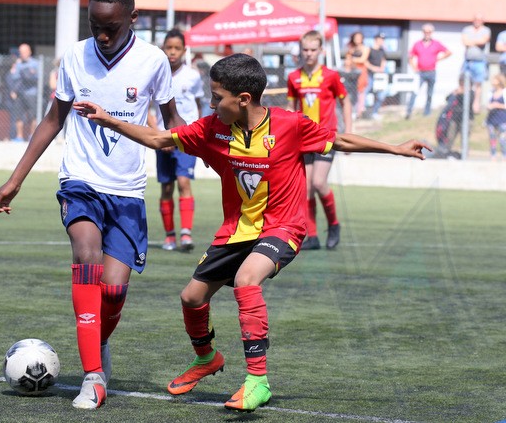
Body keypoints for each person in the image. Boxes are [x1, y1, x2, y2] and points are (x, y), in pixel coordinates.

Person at [73, 53, 429, 413]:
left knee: (247, 279)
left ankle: (258, 381)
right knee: (192, 298)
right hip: (236, 231)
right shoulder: (212, 128)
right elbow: (158, 138)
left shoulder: (290, 125)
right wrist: (108, 120)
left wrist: (395, 149)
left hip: (284, 226)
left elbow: (341, 142)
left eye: (217, 97)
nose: (212, 104)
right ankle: (207, 358)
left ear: (243, 99)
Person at [0, 0, 185, 410]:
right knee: (86, 253)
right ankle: (93, 376)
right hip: (80, 181)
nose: (102, 35)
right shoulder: (75, 56)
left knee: (113, 290)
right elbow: (52, 120)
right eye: (95, 25)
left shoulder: (153, 61)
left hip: (127, 191)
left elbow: (173, 121)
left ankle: (99, 342)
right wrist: (15, 180)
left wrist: (203, 146)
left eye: (111, 27)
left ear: (133, 17)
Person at [286, 30, 352, 250]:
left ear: (321, 51)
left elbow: (346, 101)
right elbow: (291, 107)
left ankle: (333, 224)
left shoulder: (331, 76)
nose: (309, 53)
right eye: (305, 49)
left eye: (313, 50)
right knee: (305, 188)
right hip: (304, 139)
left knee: (318, 182)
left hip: (326, 136)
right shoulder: (293, 77)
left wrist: (348, 130)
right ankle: (312, 237)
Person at [149, 28, 204, 251]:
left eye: (177, 48)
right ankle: (169, 236)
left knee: (183, 181)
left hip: (186, 139)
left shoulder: (193, 76)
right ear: (163, 49)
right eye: (169, 48)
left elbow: (197, 107)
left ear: (184, 50)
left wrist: (194, 134)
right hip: (163, 140)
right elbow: (148, 110)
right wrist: (159, 135)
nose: (172, 52)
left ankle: (186, 234)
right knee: (166, 187)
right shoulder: (154, 75)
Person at [405, 23, 452, 119]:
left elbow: (448, 52)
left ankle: (427, 112)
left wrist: (439, 59)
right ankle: (409, 112)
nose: (427, 34)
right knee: (414, 92)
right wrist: (414, 68)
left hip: (431, 72)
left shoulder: (436, 44)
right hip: (420, 73)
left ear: (432, 33)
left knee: (430, 94)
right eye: (425, 32)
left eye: (429, 32)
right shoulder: (417, 44)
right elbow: (410, 57)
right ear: (423, 32)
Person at [430, 75, 474, 159]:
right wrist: (455, 93)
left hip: (467, 119)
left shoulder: (471, 92)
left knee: (464, 137)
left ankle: (464, 155)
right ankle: (446, 152)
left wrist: (462, 93)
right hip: (454, 118)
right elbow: (447, 98)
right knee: (450, 135)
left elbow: (470, 101)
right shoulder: (457, 91)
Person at [461, 14, 491, 114]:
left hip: (480, 62)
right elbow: (465, 42)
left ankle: (476, 105)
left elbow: (483, 41)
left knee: (478, 84)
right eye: (476, 19)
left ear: (482, 21)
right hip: (468, 61)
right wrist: (476, 42)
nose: (477, 21)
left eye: (479, 19)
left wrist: (471, 42)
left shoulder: (486, 30)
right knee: (465, 83)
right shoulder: (467, 29)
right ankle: (466, 105)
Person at [13, 43, 39, 141]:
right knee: (18, 115)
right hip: (20, 93)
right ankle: (19, 137)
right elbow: (15, 77)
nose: (22, 54)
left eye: (24, 52)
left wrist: (30, 76)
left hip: (32, 94)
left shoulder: (35, 64)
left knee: (32, 116)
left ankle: (32, 136)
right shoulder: (18, 64)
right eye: (20, 52)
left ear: (29, 52)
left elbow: (39, 78)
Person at [345, 31, 369, 119]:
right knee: (351, 91)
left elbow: (363, 60)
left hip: (361, 71)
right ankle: (352, 111)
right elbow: (347, 59)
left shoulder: (365, 48)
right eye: (356, 38)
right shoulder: (351, 49)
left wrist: (352, 59)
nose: (357, 39)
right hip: (352, 71)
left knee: (361, 91)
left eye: (359, 38)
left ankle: (359, 111)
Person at [365, 32, 388, 120]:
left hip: (379, 76)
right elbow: (365, 61)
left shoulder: (382, 50)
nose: (381, 41)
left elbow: (383, 60)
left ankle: (375, 112)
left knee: (381, 94)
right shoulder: (369, 49)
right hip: (369, 74)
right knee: (365, 92)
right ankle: (363, 112)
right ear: (376, 39)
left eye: (383, 39)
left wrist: (381, 68)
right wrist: (373, 68)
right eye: (380, 39)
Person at [485, 73, 506, 161]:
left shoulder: (504, 92)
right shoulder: (491, 92)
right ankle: (493, 155)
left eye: (495, 80)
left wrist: (497, 105)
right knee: (492, 138)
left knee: (502, 139)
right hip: (492, 119)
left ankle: (504, 155)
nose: (493, 81)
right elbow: (488, 103)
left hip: (502, 119)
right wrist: (489, 106)